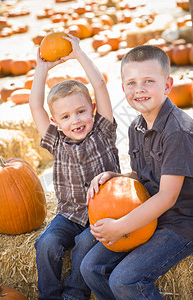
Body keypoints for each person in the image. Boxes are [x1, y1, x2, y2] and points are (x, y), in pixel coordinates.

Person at [80, 45, 193, 300]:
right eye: (131, 83)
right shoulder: (136, 126)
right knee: (91, 267)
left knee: (125, 280)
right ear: (123, 89)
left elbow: (167, 197)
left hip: (180, 223)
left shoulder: (177, 131)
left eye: (149, 81)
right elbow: (144, 177)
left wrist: (120, 226)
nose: (139, 89)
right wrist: (116, 177)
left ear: (167, 85)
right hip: (150, 217)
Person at [29, 33, 120, 300]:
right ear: (55, 121)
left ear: (92, 109)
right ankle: (50, 295)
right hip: (68, 215)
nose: (76, 120)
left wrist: (79, 53)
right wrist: (42, 68)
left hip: (102, 215)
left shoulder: (103, 130)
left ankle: (74, 295)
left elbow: (100, 85)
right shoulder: (55, 141)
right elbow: (35, 104)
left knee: (84, 245)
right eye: (66, 116)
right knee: (45, 243)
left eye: (81, 111)